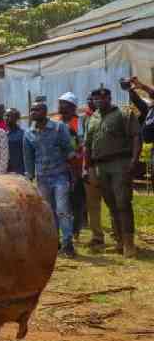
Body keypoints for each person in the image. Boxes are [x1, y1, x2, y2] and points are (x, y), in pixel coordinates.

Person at [84, 88, 141, 258]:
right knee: (111, 204)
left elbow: (136, 136)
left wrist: (134, 160)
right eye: (95, 99)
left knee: (123, 202)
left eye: (101, 98)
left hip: (120, 163)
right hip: (100, 166)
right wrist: (87, 168)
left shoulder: (123, 114)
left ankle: (129, 243)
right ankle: (119, 241)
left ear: (109, 98)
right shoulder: (92, 118)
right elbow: (87, 145)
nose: (98, 102)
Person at [23, 100, 77, 257]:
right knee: (48, 212)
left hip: (60, 176)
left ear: (45, 112)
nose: (33, 112)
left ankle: (68, 244)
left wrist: (74, 175)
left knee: (62, 210)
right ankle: (55, 242)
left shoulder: (59, 128)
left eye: (37, 110)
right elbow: (28, 159)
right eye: (32, 110)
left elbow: (69, 151)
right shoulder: (28, 133)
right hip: (42, 178)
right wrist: (29, 177)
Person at [55, 92, 87, 240]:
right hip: (57, 167)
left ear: (73, 107)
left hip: (75, 167)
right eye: (60, 103)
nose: (60, 106)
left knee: (76, 200)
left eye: (64, 104)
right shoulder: (54, 122)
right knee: (59, 201)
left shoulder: (80, 122)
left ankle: (75, 230)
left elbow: (82, 144)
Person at [81, 92, 106, 251]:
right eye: (90, 99)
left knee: (114, 202)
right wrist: (85, 167)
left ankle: (120, 237)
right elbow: (86, 145)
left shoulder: (113, 116)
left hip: (110, 164)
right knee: (92, 204)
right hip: (92, 166)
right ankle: (97, 237)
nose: (92, 102)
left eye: (95, 99)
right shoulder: (86, 119)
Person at [5, 108, 25, 175]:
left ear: (16, 118)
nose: (6, 118)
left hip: (20, 171)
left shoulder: (23, 134)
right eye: (5, 116)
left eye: (9, 116)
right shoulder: (2, 134)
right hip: (6, 171)